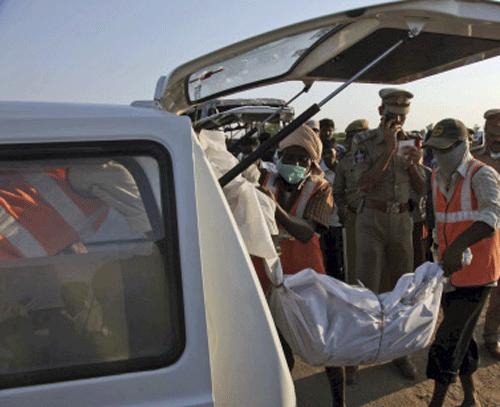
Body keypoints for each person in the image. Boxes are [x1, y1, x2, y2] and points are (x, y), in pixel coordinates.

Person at [255, 125, 346, 407]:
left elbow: (306, 231)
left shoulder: (321, 187)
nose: (294, 164)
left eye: (302, 160)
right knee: (277, 348)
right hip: (268, 275)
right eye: (289, 157)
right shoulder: (262, 177)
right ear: (278, 155)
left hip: (306, 277)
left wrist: (275, 209)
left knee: (326, 345)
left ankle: (339, 402)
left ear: (312, 163)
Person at [422, 118, 500, 407]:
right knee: (463, 338)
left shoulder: (482, 174)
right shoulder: (436, 176)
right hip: (448, 273)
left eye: (445, 149)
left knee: (447, 341)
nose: (439, 155)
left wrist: (457, 246)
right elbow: (436, 220)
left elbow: (492, 218)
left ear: (463, 145)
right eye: (435, 149)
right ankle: (471, 398)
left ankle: (435, 404)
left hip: (479, 274)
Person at [351, 88, 426, 380]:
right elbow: (364, 185)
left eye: (402, 116)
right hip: (371, 218)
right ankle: (356, 353)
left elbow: (421, 188)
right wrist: (389, 149)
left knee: (401, 289)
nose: (397, 120)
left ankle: (399, 352)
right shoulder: (363, 140)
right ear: (380, 112)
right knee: (365, 287)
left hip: (402, 221)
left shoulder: (413, 140)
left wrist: (414, 165)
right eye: (391, 114)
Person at [332, 119, 369, 385]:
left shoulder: (383, 156)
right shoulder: (344, 164)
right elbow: (338, 192)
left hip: (385, 223)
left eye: (361, 134)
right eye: (353, 135)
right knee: (357, 285)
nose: (357, 139)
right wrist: (344, 206)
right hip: (356, 222)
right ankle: (355, 356)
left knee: (390, 285)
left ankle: (398, 354)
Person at [472, 108, 500, 361]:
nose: (496, 138)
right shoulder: (473, 157)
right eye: (492, 133)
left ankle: (491, 337)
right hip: (479, 231)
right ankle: (466, 337)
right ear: (485, 131)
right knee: (477, 285)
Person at [319, 138, 344, 281]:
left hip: (340, 223)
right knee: (328, 261)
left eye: (331, 153)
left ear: (336, 153)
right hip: (325, 223)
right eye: (325, 154)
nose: (328, 157)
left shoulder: (343, 170)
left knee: (341, 259)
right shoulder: (318, 172)